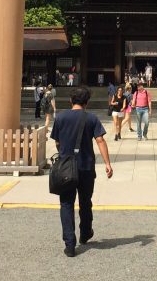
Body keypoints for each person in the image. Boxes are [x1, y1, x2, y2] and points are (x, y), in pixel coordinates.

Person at [50, 86, 113, 257]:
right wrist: (107, 163)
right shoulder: (91, 118)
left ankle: (70, 244)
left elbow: (57, 142)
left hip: (66, 168)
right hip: (86, 166)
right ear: (87, 102)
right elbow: (100, 141)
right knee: (85, 202)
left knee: (66, 203)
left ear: (71, 101)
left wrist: (64, 151)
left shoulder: (61, 118)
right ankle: (85, 233)